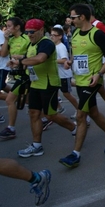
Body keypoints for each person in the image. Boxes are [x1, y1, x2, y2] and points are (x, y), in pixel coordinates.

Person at [59, 4, 105, 168]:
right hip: (80, 80)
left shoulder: (97, 34)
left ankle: (75, 155)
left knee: (80, 116)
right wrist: (70, 61)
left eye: (72, 17)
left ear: (82, 17)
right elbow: (77, 54)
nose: (70, 20)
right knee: (92, 112)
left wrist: (99, 74)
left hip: (92, 81)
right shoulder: (76, 33)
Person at [8, 19, 77, 158]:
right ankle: (36, 146)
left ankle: (75, 128)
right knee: (34, 113)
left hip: (48, 84)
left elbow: (40, 59)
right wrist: (18, 62)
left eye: (32, 32)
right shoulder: (32, 43)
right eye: (27, 32)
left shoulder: (47, 43)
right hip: (35, 83)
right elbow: (30, 58)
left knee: (50, 115)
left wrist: (20, 61)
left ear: (40, 30)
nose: (29, 35)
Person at [0, 18, 30, 139]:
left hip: (27, 74)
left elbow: (34, 54)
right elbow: (3, 54)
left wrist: (20, 57)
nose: (7, 29)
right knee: (29, 100)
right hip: (17, 74)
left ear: (17, 27)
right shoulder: (10, 39)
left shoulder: (26, 38)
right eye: (6, 26)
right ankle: (45, 117)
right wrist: (6, 39)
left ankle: (11, 128)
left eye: (9, 26)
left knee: (10, 100)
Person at [49, 26, 79, 121]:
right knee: (51, 93)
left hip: (64, 75)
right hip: (56, 75)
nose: (52, 37)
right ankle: (59, 109)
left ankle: (79, 110)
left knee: (66, 94)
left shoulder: (61, 47)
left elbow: (64, 60)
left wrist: (51, 60)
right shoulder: (53, 46)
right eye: (51, 35)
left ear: (60, 36)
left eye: (54, 35)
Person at [0, 24, 11, 123]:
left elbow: (3, 53)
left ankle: (21, 99)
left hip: (2, 67)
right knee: (3, 86)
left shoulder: (0, 34)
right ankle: (21, 97)